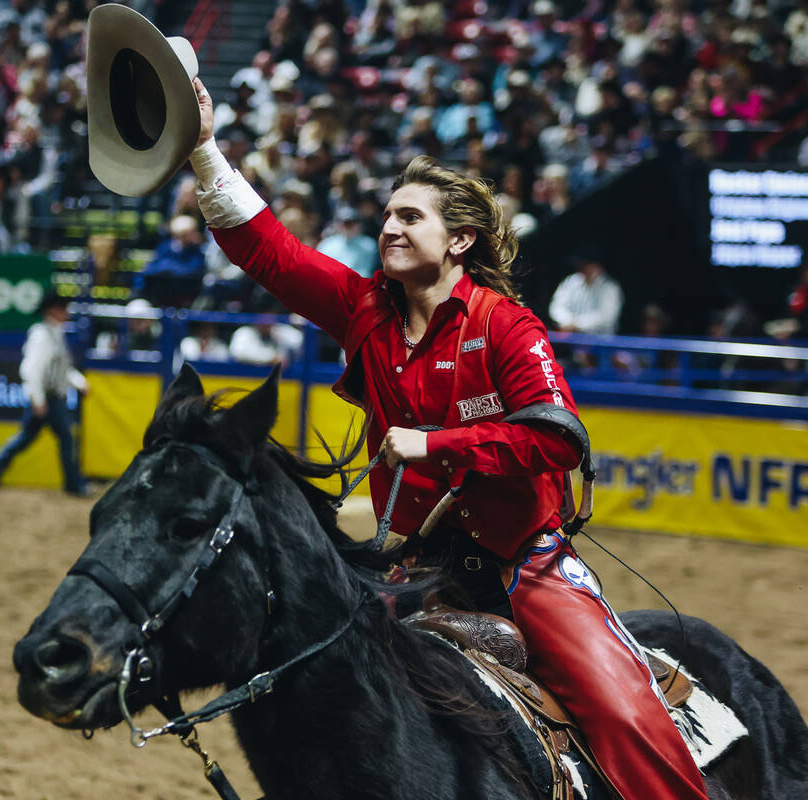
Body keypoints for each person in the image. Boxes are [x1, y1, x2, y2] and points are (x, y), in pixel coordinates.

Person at [186, 75, 709, 800]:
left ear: (459, 239)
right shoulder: (363, 310)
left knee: (624, 712)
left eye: (410, 217)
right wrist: (205, 149)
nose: (390, 229)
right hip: (408, 575)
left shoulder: (506, 325)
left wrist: (437, 445)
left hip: (523, 570)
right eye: (386, 218)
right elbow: (268, 251)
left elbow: (559, 439)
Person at [0, 291, 89, 496]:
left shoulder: (55, 333)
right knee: (65, 437)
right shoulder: (42, 335)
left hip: (50, 396)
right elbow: (32, 369)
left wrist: (79, 382)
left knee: (27, 437)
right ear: (52, 311)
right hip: (47, 396)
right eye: (62, 308)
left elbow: (61, 368)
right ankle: (73, 485)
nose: (66, 312)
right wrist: (38, 398)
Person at [548, 248, 625, 334]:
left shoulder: (610, 287)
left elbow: (606, 317)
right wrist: (567, 321)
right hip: (571, 337)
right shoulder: (571, 281)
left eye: (585, 265)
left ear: (597, 266)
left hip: (600, 341)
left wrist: (577, 324)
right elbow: (556, 307)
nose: (581, 268)